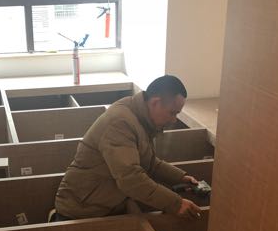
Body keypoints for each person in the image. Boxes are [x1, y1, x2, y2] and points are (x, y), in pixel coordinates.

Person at [53, 75, 202, 221]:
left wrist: (179, 178)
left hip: (104, 204)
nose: (174, 120)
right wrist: (176, 204)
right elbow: (131, 179)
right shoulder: (120, 123)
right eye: (173, 112)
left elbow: (148, 162)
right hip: (81, 211)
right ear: (155, 102)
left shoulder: (139, 116)